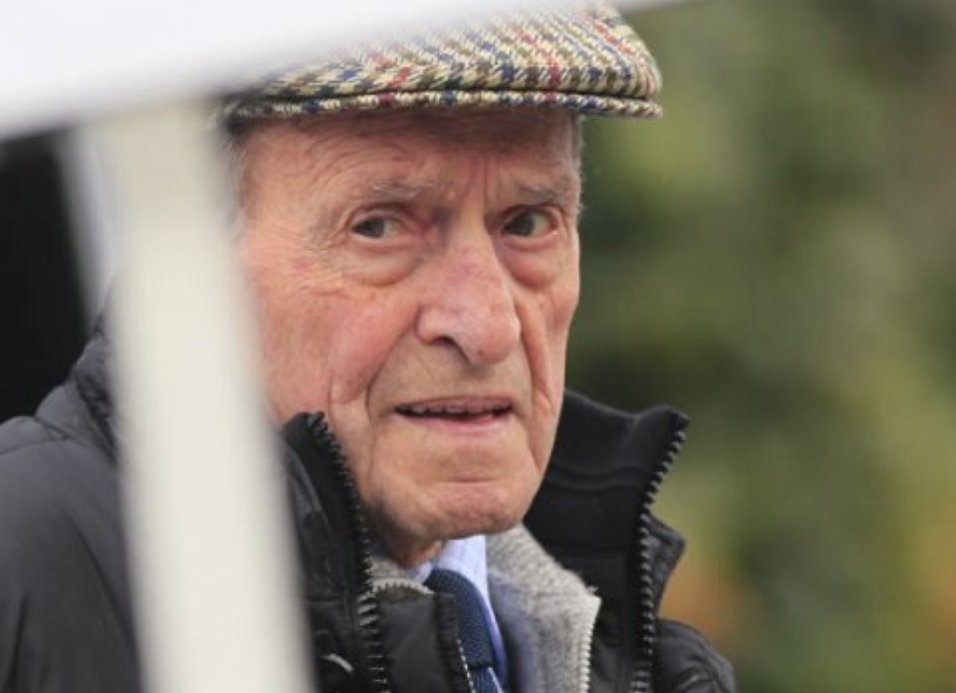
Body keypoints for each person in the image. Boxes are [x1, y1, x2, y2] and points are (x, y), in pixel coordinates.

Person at [0, 4, 734, 692]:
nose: (486, 327)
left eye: (527, 223)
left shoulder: (640, 658)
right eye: (380, 227)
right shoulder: (23, 578)